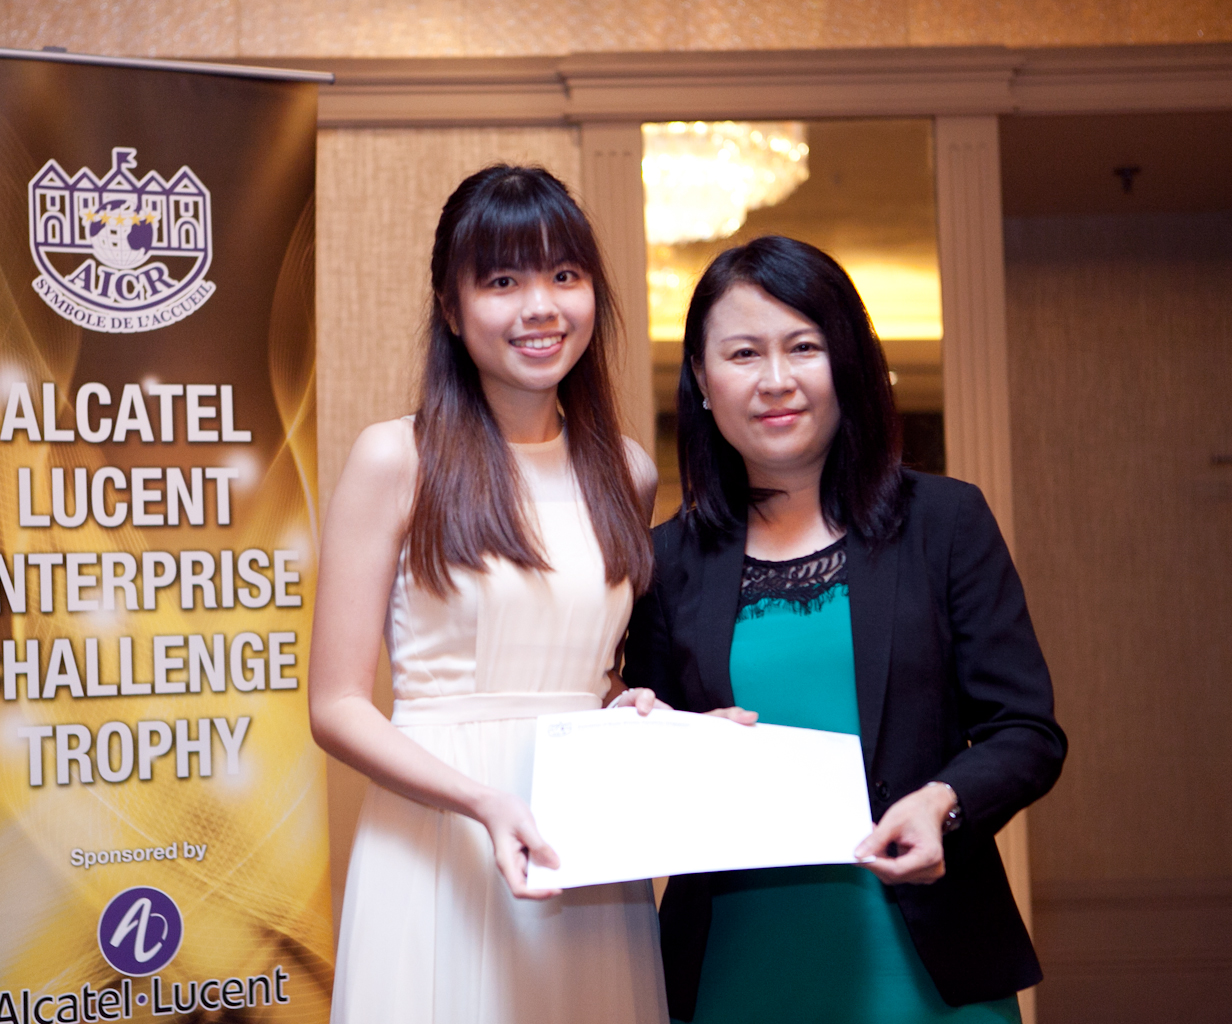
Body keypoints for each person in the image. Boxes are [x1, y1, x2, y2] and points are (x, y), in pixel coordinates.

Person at [622, 236, 1067, 1023]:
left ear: (848, 362)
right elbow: (646, 776)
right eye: (743, 353)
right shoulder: (666, 561)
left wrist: (943, 803)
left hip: (927, 965)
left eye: (804, 347)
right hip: (735, 966)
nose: (776, 380)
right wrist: (651, 737)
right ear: (702, 378)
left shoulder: (945, 522)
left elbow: (1026, 730)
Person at [309, 164, 669, 1024]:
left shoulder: (628, 471)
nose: (540, 307)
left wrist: (626, 704)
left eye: (564, 275)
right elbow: (336, 707)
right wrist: (482, 802)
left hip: (583, 845)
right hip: (440, 837)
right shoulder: (396, 458)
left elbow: (587, 669)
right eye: (503, 281)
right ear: (451, 306)